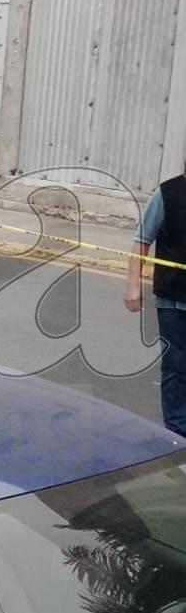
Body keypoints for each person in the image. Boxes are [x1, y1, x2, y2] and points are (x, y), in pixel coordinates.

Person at [126, 180, 186, 438]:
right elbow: (142, 240)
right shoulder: (169, 193)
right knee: (176, 368)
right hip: (174, 299)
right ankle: (177, 435)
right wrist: (133, 284)